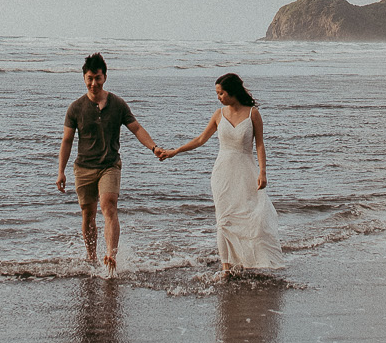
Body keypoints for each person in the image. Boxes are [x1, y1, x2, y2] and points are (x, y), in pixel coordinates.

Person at [158, 72, 284, 276]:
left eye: (221, 93)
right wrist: (175, 151)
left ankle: (247, 260)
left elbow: (260, 144)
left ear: (232, 92)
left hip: (246, 171)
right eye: (217, 93)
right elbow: (200, 139)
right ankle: (226, 267)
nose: (218, 97)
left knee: (252, 217)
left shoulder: (253, 114)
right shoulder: (218, 114)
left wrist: (263, 172)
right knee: (224, 219)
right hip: (222, 173)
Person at [56, 52, 163, 271]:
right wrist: (61, 171)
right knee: (88, 214)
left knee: (109, 206)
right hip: (84, 167)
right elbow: (67, 141)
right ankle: (91, 257)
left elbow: (137, 128)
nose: (93, 83)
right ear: (84, 78)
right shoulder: (75, 108)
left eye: (97, 78)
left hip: (110, 166)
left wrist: (153, 147)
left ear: (105, 77)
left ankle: (110, 256)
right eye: (89, 78)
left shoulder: (118, 104)